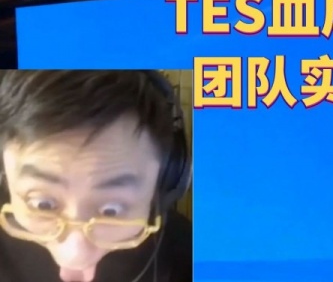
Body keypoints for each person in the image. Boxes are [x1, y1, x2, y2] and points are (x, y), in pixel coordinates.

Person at [0, 70, 193, 282]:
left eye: (111, 211)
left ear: (161, 185)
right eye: (43, 205)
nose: (74, 256)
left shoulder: (189, 258)